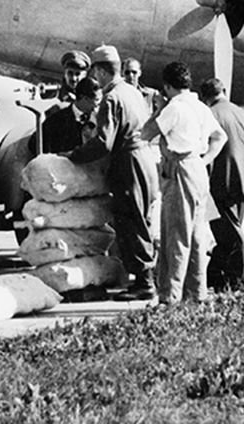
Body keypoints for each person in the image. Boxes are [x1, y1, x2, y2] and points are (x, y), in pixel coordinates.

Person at [68, 45, 160, 300]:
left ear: (99, 70)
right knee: (142, 218)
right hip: (144, 159)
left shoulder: (112, 98)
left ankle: (145, 282)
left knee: (131, 220)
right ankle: (145, 278)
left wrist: (75, 155)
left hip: (127, 162)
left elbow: (104, 142)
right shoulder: (131, 91)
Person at [141, 62, 227, 305]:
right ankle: (196, 292)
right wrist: (204, 158)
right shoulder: (200, 106)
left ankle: (170, 295)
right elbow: (220, 136)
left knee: (176, 233)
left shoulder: (174, 108)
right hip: (197, 168)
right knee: (197, 234)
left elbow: (146, 133)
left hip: (179, 168)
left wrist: (159, 108)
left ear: (167, 87)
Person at [199, 77, 244, 291]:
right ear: (223, 91)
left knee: (232, 237)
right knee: (228, 235)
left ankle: (238, 283)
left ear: (205, 98)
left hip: (218, 185)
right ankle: (215, 277)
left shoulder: (209, 116)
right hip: (241, 185)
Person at [29, 76, 103, 156]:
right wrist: (54, 158)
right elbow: (34, 144)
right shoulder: (57, 119)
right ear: (84, 98)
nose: (98, 106)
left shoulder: (99, 120)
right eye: (96, 101)